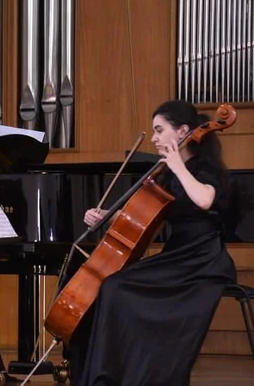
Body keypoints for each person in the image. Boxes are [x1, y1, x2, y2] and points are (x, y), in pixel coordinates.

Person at [66, 100, 238, 386]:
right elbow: (145, 217)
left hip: (202, 260)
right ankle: (117, 374)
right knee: (111, 286)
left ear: (183, 131)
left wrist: (178, 167)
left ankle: (119, 376)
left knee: (116, 288)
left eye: (160, 130)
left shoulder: (203, 169)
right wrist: (107, 217)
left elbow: (205, 199)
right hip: (177, 256)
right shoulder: (168, 174)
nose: (155, 138)